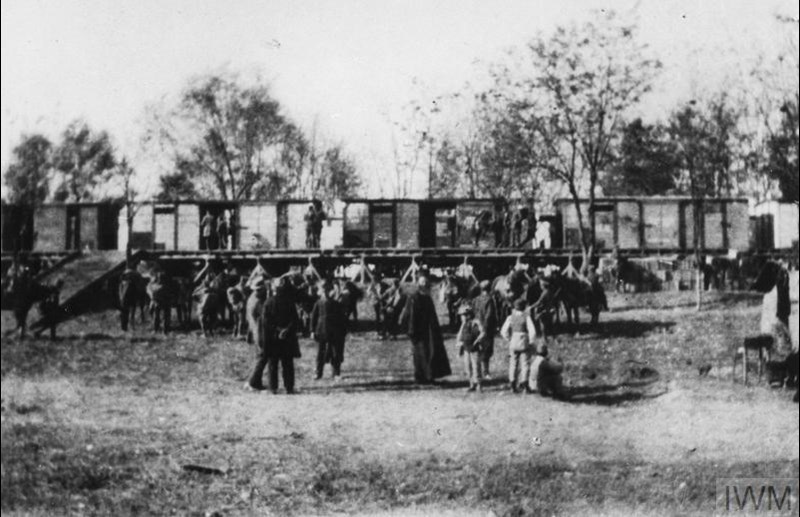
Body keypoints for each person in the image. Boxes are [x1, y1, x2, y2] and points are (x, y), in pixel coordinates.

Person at [251, 277, 301, 394]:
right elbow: (295, 319)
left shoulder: (269, 302)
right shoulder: (290, 302)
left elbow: (266, 322)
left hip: (273, 338)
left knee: (273, 363)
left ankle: (273, 388)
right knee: (288, 363)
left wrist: (278, 330)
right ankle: (289, 387)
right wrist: (286, 330)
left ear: (274, 289)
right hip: (287, 338)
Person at [399, 275, 452, 384]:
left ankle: (427, 376)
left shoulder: (426, 297)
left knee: (428, 353)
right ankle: (423, 377)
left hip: (429, 331)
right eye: (423, 282)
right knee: (421, 354)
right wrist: (411, 331)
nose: (425, 284)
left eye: (426, 282)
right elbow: (410, 315)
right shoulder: (414, 297)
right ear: (419, 284)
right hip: (418, 331)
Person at [310, 281, 349, 379]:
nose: (325, 293)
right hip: (321, 331)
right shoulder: (318, 303)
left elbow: (342, 318)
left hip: (334, 332)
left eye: (327, 290)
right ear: (321, 292)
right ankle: (318, 373)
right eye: (323, 291)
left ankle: (336, 373)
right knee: (320, 353)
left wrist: (343, 331)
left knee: (335, 353)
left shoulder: (336, 304)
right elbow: (313, 318)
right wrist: (312, 331)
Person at [500, 298, 537, 393]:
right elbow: (532, 331)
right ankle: (524, 384)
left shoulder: (510, 317)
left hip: (514, 340)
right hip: (523, 340)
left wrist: (509, 339)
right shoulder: (526, 317)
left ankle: (512, 384)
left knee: (513, 363)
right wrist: (531, 341)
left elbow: (503, 331)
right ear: (524, 307)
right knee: (525, 363)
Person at [472, 279, 498, 378]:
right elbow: (489, 315)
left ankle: (476, 371)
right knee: (486, 350)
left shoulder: (476, 299)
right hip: (486, 328)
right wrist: (486, 328)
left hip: (476, 327)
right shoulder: (489, 299)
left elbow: (473, 312)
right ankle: (485, 372)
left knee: (478, 349)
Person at [457, 303, 485, 392]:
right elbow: (459, 337)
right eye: (461, 316)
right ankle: (471, 384)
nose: (462, 317)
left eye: (464, 315)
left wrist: (477, 341)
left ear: (469, 315)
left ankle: (479, 385)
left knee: (476, 366)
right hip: (466, 348)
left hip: (475, 348)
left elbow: (483, 332)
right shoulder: (463, 325)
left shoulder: (475, 322)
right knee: (468, 367)